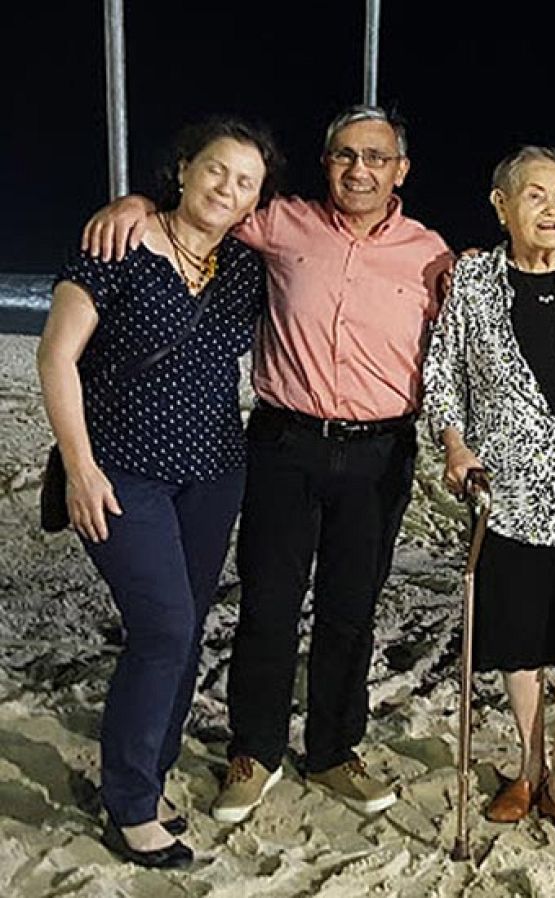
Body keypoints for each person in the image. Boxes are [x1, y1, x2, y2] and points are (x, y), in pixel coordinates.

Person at [83, 105, 454, 822]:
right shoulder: (278, 224)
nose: (359, 169)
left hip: (381, 452)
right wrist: (135, 202)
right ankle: (254, 751)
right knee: (269, 606)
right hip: (285, 444)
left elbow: (469, 339)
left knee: (351, 609)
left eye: (376, 157)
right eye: (345, 155)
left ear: (400, 170)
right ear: (328, 163)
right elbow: (195, 216)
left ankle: (334, 750)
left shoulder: (430, 251)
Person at [40, 119, 280, 867]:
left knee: (189, 623)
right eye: (215, 171)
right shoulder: (116, 245)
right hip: (121, 473)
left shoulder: (245, 267)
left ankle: (151, 764)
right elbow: (55, 357)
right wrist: (80, 470)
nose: (226, 189)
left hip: (213, 473)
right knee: (164, 629)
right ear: (183, 170)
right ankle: (130, 802)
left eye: (245, 182)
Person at [422, 147, 555, 840]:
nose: (553, 210)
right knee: (518, 639)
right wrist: (456, 445)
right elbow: (444, 374)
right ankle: (526, 766)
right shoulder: (474, 280)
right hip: (507, 492)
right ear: (501, 204)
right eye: (536, 196)